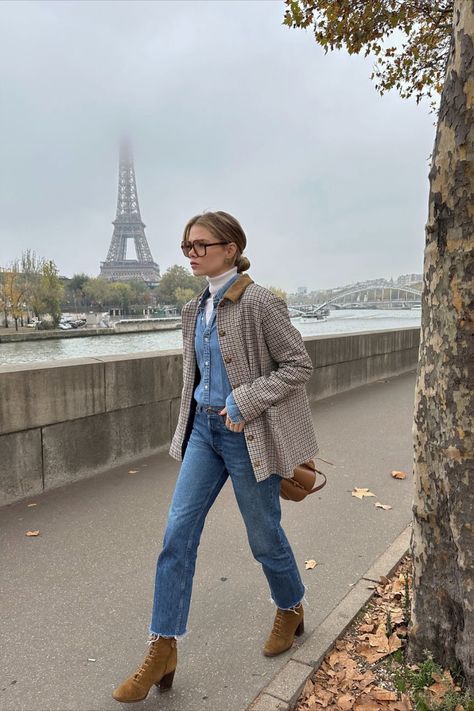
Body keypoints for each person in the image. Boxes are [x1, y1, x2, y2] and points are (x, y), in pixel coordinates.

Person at [112, 210, 319, 703]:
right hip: (204, 434)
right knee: (176, 535)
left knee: (264, 536)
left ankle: (290, 607)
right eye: (186, 245)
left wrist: (244, 402)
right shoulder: (192, 309)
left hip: (245, 436)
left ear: (231, 247)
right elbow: (200, 379)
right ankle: (162, 646)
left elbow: (299, 364)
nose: (191, 253)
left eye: (201, 244)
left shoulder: (262, 304)